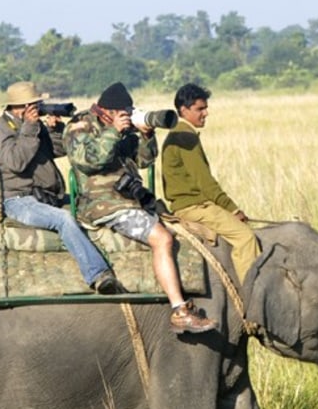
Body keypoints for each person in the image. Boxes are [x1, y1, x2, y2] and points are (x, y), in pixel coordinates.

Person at [63, 81, 217, 333]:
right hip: (103, 204)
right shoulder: (80, 126)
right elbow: (89, 162)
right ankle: (179, 311)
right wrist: (114, 131)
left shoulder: (122, 125)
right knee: (162, 238)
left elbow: (144, 161)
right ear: (110, 112)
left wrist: (146, 133)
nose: (127, 117)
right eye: (123, 112)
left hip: (132, 197)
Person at [0, 81, 123, 295]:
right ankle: (98, 275)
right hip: (20, 200)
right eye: (35, 104)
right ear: (20, 107)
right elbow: (16, 162)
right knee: (63, 219)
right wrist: (31, 128)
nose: (38, 108)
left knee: (95, 204)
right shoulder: (0, 131)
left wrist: (57, 129)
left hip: (48, 195)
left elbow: (58, 150)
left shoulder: (33, 126)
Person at [161, 83, 260, 286]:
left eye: (205, 108)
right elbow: (205, 182)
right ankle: (253, 297)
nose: (205, 113)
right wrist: (233, 209)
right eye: (199, 109)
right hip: (195, 207)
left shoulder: (180, 134)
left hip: (192, 205)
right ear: (183, 110)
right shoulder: (185, 137)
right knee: (246, 237)